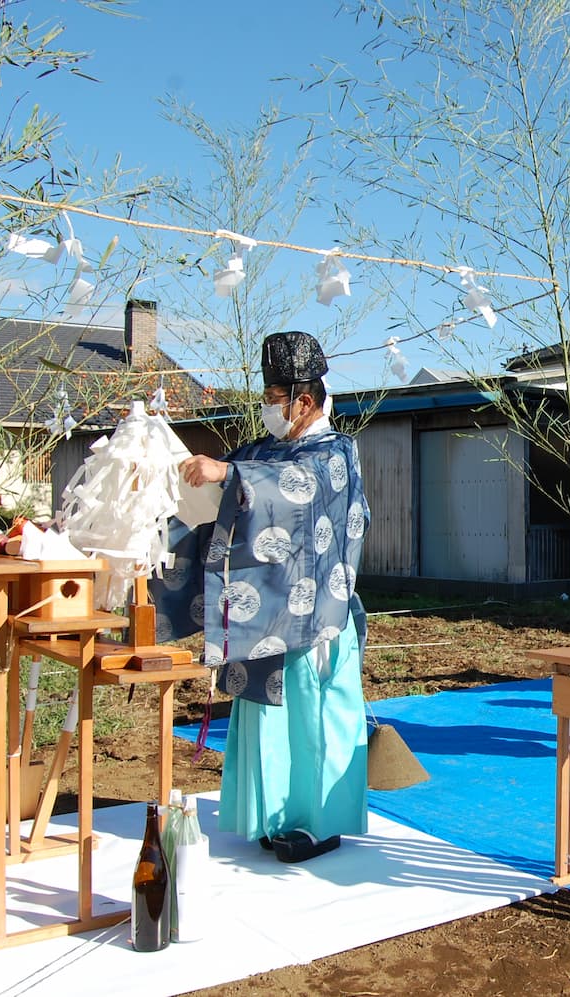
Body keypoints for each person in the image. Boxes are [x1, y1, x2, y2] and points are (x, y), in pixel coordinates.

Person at [153, 331, 370, 860]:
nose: (270, 407)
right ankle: (273, 815)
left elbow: (297, 482)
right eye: (268, 397)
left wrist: (228, 473)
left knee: (313, 715)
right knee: (267, 719)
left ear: (305, 400)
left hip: (316, 610)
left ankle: (320, 823)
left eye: (276, 398)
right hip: (265, 608)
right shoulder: (265, 450)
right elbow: (220, 492)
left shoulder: (335, 452)